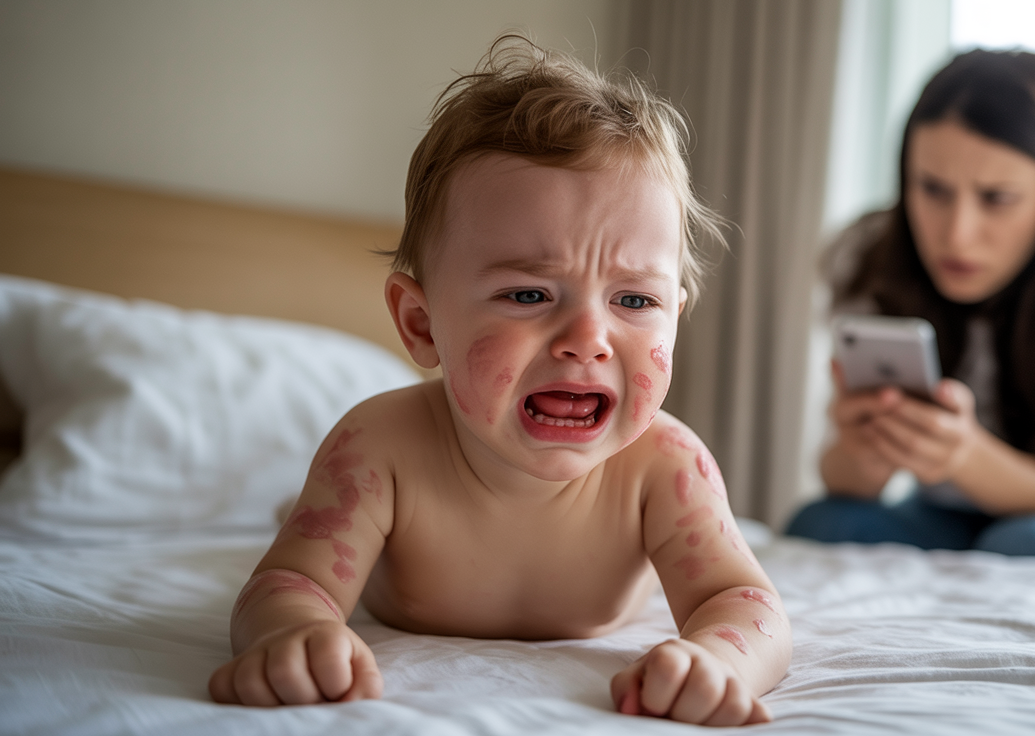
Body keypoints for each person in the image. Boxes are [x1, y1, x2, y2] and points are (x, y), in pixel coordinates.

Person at [208, 35, 791, 727]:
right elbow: (287, 583)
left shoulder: (667, 467)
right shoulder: (380, 449)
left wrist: (717, 661)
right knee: (297, 528)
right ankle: (288, 508)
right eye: (528, 295)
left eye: (634, 301)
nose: (588, 341)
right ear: (423, 325)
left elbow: (747, 604)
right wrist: (291, 632)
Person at [786, 49, 1035, 564]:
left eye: (996, 197)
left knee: (1027, 544)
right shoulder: (870, 258)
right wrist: (866, 446)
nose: (956, 234)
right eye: (932, 189)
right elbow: (844, 481)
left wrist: (966, 456)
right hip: (944, 517)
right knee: (819, 523)